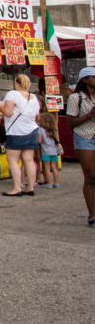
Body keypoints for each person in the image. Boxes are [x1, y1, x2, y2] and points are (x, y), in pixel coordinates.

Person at [0, 74, 42, 197]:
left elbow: (8, 112)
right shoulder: (34, 97)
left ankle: (17, 187)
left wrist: (0, 106)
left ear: (17, 82)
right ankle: (30, 187)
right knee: (29, 159)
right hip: (32, 130)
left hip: (16, 131)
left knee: (12, 160)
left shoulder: (13, 94)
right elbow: (37, 116)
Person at [65, 66, 95, 229]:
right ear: (85, 80)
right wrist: (90, 115)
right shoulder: (76, 98)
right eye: (93, 77)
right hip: (85, 137)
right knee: (91, 176)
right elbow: (70, 122)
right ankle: (92, 215)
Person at [37, 111, 61, 188]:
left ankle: (49, 183)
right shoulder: (54, 130)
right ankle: (56, 182)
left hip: (45, 151)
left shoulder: (40, 130)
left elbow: (39, 141)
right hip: (54, 151)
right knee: (54, 167)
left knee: (47, 167)